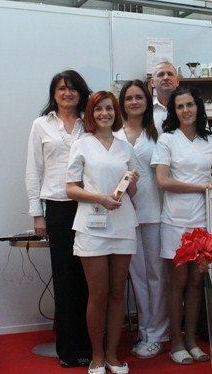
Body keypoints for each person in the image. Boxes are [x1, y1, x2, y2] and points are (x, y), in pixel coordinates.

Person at [66, 90, 140, 374]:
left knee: (118, 293)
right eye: (98, 109)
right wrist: (99, 198)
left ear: (115, 112)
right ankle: (96, 355)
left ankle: (112, 354)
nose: (104, 114)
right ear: (91, 114)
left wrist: (132, 181)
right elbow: (71, 189)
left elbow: (132, 191)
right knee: (98, 293)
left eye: (109, 108)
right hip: (92, 227)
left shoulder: (125, 148)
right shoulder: (81, 145)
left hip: (122, 225)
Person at [151, 87, 212, 365]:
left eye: (190, 105)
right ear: (174, 111)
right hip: (174, 221)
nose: (186, 110)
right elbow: (163, 181)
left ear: (198, 107)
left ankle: (192, 341)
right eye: (180, 106)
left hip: (204, 219)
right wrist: (202, 186)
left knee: (196, 281)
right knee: (178, 282)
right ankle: (177, 342)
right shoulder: (167, 140)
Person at [25, 69, 93, 367]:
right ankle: (69, 350)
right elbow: (33, 171)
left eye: (73, 88)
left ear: (81, 92)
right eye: (62, 88)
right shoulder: (41, 124)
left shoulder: (90, 122)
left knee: (90, 279)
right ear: (54, 94)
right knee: (65, 279)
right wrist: (37, 214)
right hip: (57, 207)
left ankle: (92, 347)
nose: (68, 93)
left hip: (90, 205)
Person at [117, 80, 169, 359]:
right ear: (122, 103)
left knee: (156, 274)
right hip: (125, 212)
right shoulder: (115, 134)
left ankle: (158, 333)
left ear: (147, 101)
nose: (134, 102)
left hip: (154, 210)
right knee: (137, 275)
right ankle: (144, 331)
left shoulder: (157, 131)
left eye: (139, 97)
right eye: (129, 98)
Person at [151, 61, 180, 133]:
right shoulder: (146, 111)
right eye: (161, 74)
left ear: (177, 81)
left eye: (170, 74)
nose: (166, 77)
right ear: (152, 82)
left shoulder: (188, 109)